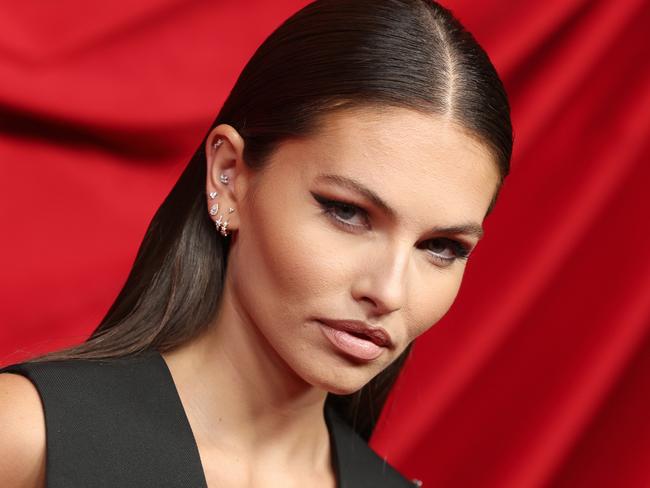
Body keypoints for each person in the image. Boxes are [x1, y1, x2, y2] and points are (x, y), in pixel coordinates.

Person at [0, 0, 512, 486]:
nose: (390, 291)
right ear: (229, 175)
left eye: (441, 247)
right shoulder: (28, 435)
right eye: (347, 212)